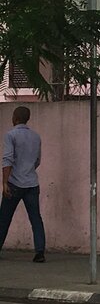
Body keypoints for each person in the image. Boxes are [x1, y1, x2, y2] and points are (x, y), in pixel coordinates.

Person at [0, 106, 45, 262]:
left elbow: (7, 160)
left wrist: (4, 182)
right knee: (35, 218)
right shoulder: (36, 137)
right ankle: (40, 252)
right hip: (32, 183)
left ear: (15, 118)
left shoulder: (10, 135)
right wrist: (28, 171)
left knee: (4, 218)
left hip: (14, 183)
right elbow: (37, 160)